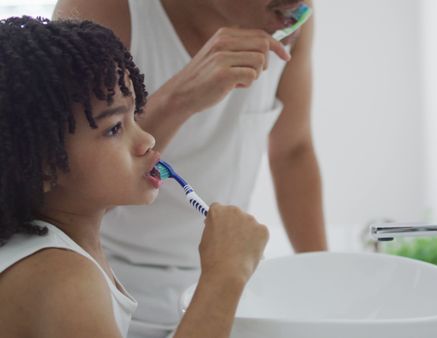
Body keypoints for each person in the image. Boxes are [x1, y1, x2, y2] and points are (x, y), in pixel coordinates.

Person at [52, 0, 328, 336]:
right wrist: (180, 98)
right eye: (117, 127)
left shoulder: (290, 19)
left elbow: (292, 151)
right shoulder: (100, 10)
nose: (301, 3)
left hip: (227, 281)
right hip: (115, 287)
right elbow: (65, 178)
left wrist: (323, 284)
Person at [0, 16, 268, 338]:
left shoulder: (56, 253)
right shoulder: (63, 278)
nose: (147, 141)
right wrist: (225, 274)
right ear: (43, 165)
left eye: (135, 115)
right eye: (114, 128)